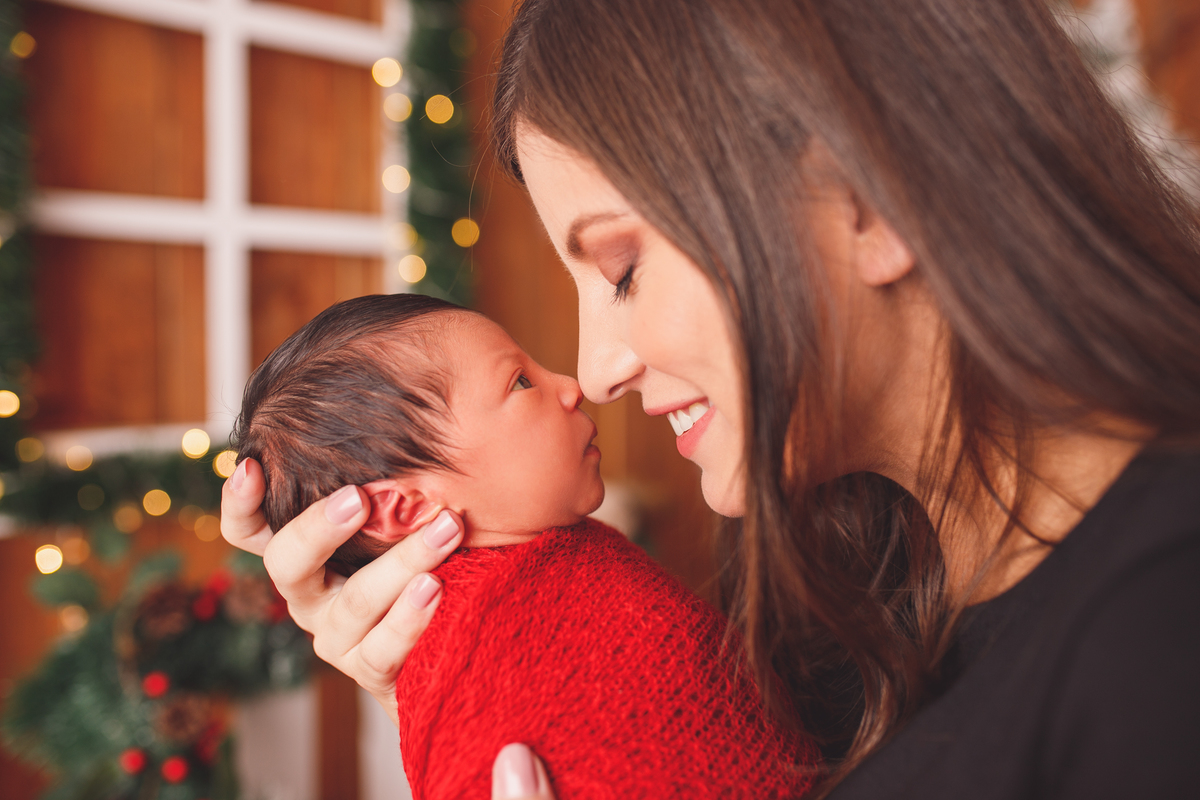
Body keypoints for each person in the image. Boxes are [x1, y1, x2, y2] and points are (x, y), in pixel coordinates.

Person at [222, 0, 1200, 797]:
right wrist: (456, 674)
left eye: (621, 268)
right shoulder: (831, 591)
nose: (596, 368)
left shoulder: (1158, 644)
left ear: (872, 199)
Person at [232, 293, 819, 798]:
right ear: (405, 508)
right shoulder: (469, 657)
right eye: (520, 381)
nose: (572, 386)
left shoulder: (556, 552)